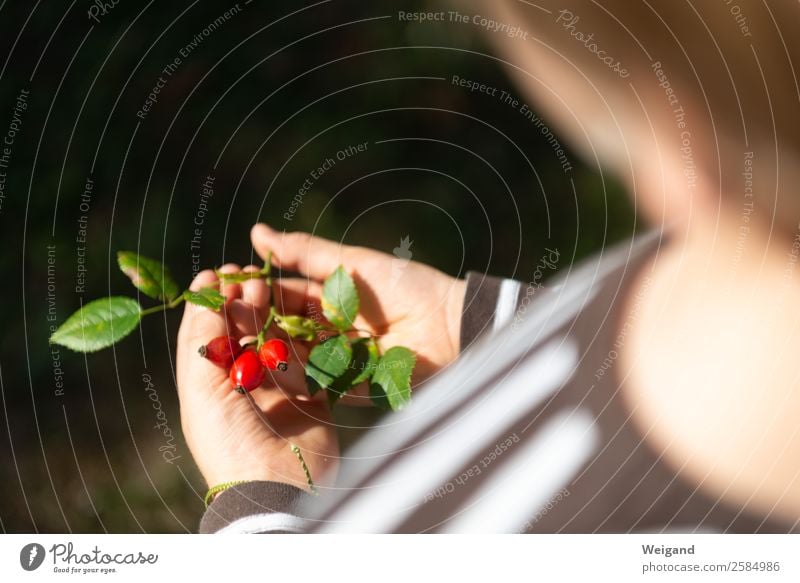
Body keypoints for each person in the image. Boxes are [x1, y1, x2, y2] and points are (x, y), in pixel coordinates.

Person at [176, 0, 800, 533]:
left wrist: (260, 506)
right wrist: (473, 326)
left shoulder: (546, 518)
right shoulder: (722, 253)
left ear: (675, 135)